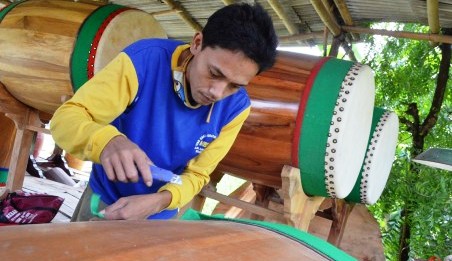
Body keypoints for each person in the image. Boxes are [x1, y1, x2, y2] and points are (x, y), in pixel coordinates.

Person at [50, 3, 278, 221]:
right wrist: (108, 142)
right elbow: (66, 119)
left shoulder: (236, 109)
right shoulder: (143, 61)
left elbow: (197, 175)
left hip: (161, 211)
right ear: (197, 43)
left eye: (234, 85)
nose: (217, 93)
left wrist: (160, 201)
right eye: (214, 73)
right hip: (105, 200)